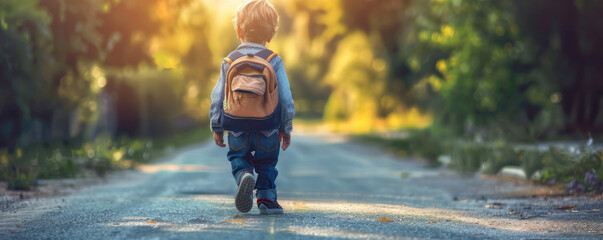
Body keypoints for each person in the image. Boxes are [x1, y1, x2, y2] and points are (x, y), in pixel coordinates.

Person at [209, 0, 295, 215]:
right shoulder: (274, 61)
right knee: (267, 162)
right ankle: (266, 199)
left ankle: (244, 174)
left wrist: (217, 126)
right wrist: (285, 127)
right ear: (271, 33)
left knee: (238, 157)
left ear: (239, 30)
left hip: (236, 125)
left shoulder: (229, 61)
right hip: (268, 125)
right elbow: (285, 99)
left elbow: (217, 97)